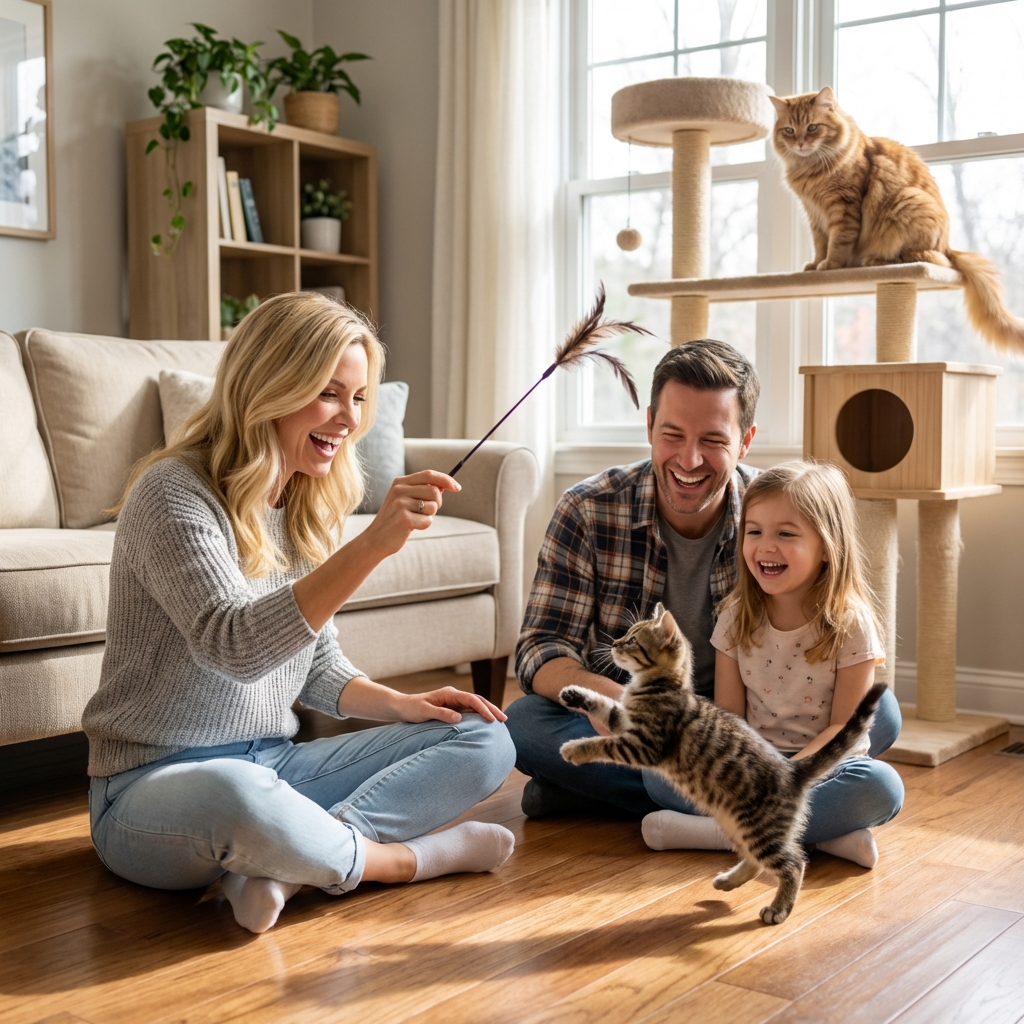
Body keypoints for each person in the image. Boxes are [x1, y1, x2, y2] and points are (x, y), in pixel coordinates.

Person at [83, 292, 516, 934]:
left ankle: (283, 866)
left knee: (485, 739)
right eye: (329, 393)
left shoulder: (306, 502)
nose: (348, 419)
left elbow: (314, 663)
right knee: (236, 794)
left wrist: (403, 704)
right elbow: (232, 645)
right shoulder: (172, 492)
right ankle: (404, 861)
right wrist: (372, 546)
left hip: (276, 765)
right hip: (152, 786)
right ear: (270, 385)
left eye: (359, 398)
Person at [507, 340, 902, 844]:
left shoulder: (778, 515)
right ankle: (797, 818)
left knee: (879, 714)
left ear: (745, 440)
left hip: (752, 723)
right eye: (672, 434)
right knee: (524, 725)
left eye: (712, 440)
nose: (689, 459)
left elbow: (832, 622)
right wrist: (617, 701)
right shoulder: (586, 509)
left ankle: (622, 801)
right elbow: (541, 648)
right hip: (643, 719)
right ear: (649, 424)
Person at [642, 462, 904, 868]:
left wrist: (788, 775)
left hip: (819, 767)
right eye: (755, 531)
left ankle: (715, 835)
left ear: (826, 547)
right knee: (655, 774)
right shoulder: (735, 616)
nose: (765, 546)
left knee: (882, 788)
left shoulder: (852, 624)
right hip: (752, 766)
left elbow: (843, 730)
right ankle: (826, 837)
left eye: (785, 534)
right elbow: (730, 718)